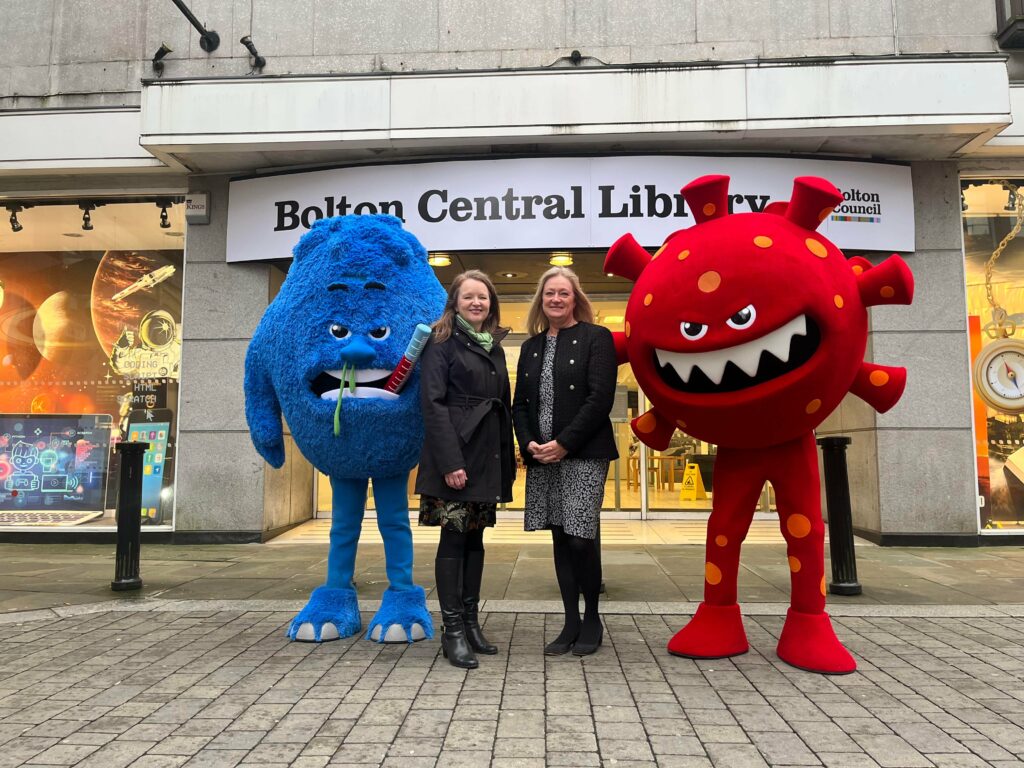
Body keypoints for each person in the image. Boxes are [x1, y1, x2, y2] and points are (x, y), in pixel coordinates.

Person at [512, 267, 618, 656]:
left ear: (576, 300)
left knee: (579, 537)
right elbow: (520, 404)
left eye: (563, 294)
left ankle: (592, 617)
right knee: (559, 536)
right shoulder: (530, 347)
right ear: (541, 301)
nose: (555, 299)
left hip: (583, 455)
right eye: (549, 294)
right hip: (543, 457)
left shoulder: (596, 338)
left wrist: (564, 444)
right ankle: (570, 620)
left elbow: (599, 398)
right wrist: (529, 444)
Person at [416, 270, 515, 669]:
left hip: (486, 456)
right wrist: (450, 462)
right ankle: (452, 630)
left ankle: (472, 623)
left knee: (475, 540)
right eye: (469, 297)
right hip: (455, 456)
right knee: (453, 540)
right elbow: (433, 405)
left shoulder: (494, 346)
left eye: (484, 297)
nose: (477, 303)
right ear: (454, 302)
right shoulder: (440, 343)